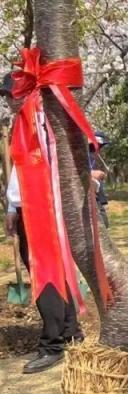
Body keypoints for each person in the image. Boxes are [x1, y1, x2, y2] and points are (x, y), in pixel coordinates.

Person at [2, 72, 84, 374]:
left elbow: (34, 169)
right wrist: (12, 207)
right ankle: (71, 332)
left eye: (13, 94)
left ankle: (54, 343)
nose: (9, 101)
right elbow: (18, 172)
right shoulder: (24, 124)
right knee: (55, 273)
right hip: (29, 208)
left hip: (41, 210)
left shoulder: (38, 122)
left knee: (46, 275)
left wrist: (18, 205)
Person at [88, 130, 110, 228]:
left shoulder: (94, 157)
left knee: (103, 222)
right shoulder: (85, 154)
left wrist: (104, 201)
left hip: (97, 195)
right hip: (89, 195)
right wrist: (91, 174)